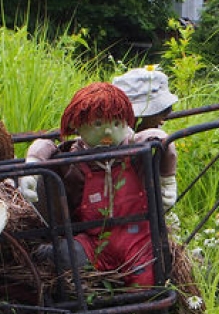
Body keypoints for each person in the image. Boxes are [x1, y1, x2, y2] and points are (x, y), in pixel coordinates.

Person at [19, 81, 173, 288]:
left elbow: (155, 137)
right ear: (78, 125)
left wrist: (167, 178)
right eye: (98, 124)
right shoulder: (74, 159)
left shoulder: (135, 151)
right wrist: (32, 166)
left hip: (136, 239)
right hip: (94, 241)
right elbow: (45, 145)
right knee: (69, 256)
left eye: (117, 124)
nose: (108, 132)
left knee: (146, 282)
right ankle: (51, 254)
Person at [112, 65, 179, 211]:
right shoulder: (116, 140)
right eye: (161, 113)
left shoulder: (144, 139)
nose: (162, 121)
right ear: (137, 117)